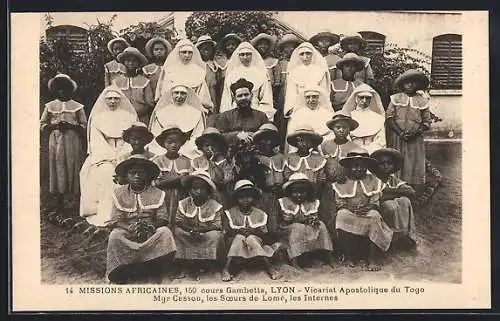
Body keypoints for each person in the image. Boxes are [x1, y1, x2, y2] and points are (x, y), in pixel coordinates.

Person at [105, 154, 177, 284]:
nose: (137, 176)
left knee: (165, 233)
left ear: (147, 175)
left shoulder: (158, 193)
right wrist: (129, 228)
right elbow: (116, 219)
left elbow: (163, 218)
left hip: (151, 229)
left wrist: (150, 227)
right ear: (127, 175)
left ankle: (161, 270)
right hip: (127, 229)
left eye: (140, 173)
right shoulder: (119, 193)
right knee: (115, 236)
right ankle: (121, 270)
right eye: (133, 173)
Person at [79, 86, 138, 230]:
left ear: (121, 100)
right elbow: (96, 141)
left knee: (128, 170)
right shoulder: (98, 118)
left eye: (116, 99)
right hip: (103, 156)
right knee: (106, 172)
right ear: (104, 100)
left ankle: (129, 213)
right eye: (109, 99)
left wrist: (122, 156)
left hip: (124, 152)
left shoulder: (129, 117)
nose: (113, 101)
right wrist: (110, 158)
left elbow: (131, 139)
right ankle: (106, 214)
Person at [333, 148, 393, 271]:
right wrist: (350, 208)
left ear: (366, 166)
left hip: (367, 211)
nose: (358, 169)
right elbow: (340, 203)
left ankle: (372, 257)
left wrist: (368, 207)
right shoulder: (342, 182)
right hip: (349, 211)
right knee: (341, 215)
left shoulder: (374, 181)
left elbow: (375, 202)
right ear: (349, 167)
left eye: (362, 166)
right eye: (354, 166)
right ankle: (349, 256)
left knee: (375, 216)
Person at [40, 74, 87, 218]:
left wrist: (71, 126)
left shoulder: (77, 106)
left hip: (73, 140)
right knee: (58, 166)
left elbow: (84, 125)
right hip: (56, 141)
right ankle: (59, 201)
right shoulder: (50, 106)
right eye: (59, 89)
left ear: (70, 90)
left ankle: (74, 201)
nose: (62, 92)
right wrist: (53, 125)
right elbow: (41, 124)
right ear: (55, 90)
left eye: (65, 89)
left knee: (73, 166)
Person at [222, 180, 282, 281]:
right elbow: (226, 232)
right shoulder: (230, 213)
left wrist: (253, 232)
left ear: (253, 198)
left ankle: (269, 267)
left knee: (251, 238)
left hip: (255, 242)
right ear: (237, 198)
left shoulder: (260, 214)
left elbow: (266, 235)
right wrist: (238, 231)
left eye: (249, 197)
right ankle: (226, 268)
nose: (245, 200)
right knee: (239, 237)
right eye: (241, 197)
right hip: (236, 245)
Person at [174, 171, 225, 280]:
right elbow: (179, 221)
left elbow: (217, 225)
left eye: (202, 188)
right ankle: (185, 265)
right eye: (194, 188)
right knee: (178, 232)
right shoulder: (183, 204)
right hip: (189, 232)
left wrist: (201, 230)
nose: (198, 191)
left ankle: (207, 263)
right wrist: (191, 229)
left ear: (208, 191)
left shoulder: (215, 206)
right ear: (189, 190)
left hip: (206, 233)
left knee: (216, 236)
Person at [278, 173, 334, 269]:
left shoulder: (312, 203)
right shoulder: (284, 202)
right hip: (288, 229)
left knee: (321, 225)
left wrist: (312, 220)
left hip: (306, 226)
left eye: (302, 192)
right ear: (290, 191)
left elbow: (314, 216)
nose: (299, 195)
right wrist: (294, 219)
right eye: (295, 192)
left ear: (308, 192)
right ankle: (294, 260)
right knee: (297, 227)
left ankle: (329, 257)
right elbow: (284, 220)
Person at [386, 69, 432, 186]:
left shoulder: (422, 101)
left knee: (412, 161)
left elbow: (426, 122)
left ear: (418, 85)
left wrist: (415, 133)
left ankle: (411, 185)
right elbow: (389, 118)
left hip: (415, 139)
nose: (410, 85)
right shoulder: (395, 98)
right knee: (397, 158)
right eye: (407, 82)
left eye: (413, 82)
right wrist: (400, 132)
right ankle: (396, 184)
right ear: (402, 84)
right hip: (397, 137)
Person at [370, 148, 417, 249]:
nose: (386, 166)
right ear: (376, 166)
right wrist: (396, 192)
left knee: (405, 201)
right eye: (382, 163)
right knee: (390, 205)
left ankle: (405, 235)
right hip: (375, 208)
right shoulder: (373, 179)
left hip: (391, 207)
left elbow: (411, 192)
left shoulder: (392, 179)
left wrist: (388, 191)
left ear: (393, 166)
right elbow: (378, 196)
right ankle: (389, 236)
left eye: (389, 163)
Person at [219, 42, 275, 121]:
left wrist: (261, 115)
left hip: (256, 111)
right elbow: (227, 98)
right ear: (238, 56)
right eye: (242, 54)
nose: (245, 57)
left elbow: (266, 98)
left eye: (248, 54)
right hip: (235, 113)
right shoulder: (232, 74)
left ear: (252, 55)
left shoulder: (261, 73)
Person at [148, 84, 206, 159]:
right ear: (171, 94)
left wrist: (186, 147)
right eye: (176, 93)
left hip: (188, 147)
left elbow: (198, 133)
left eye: (183, 93)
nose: (179, 96)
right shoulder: (162, 111)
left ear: (187, 95)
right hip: (165, 146)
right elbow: (156, 132)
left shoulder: (196, 112)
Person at [155, 39, 214, 111]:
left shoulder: (197, 71)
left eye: (190, 53)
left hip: (193, 108)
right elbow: (164, 91)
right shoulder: (169, 70)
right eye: (184, 52)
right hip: (172, 108)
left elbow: (202, 94)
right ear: (178, 53)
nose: (187, 55)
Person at [151, 126, 192, 226]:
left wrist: (167, 180)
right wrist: (179, 178)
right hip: (163, 196)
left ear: (181, 143)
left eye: (177, 142)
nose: (173, 145)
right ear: (164, 144)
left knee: (179, 220)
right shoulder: (157, 161)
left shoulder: (187, 161)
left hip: (181, 196)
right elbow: (156, 183)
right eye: (169, 142)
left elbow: (187, 182)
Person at [209, 78, 268, 148]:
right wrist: (236, 135)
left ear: (251, 96)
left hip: (255, 152)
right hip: (232, 154)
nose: (243, 98)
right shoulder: (225, 116)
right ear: (234, 98)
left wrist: (254, 135)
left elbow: (268, 135)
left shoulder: (261, 116)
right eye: (239, 96)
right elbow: (217, 137)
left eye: (246, 95)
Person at [253, 123, 285, 234]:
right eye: (263, 140)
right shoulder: (256, 158)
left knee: (276, 220)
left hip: (278, 194)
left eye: (269, 140)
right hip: (261, 195)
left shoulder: (281, 157)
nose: (266, 143)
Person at [284, 42, 330, 117]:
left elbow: (323, 90)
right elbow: (291, 92)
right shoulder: (293, 72)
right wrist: (292, 107)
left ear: (312, 54)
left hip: (316, 103)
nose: (305, 57)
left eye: (308, 53)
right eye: (302, 54)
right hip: (298, 105)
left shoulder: (320, 71)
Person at [191, 127, 233, 208]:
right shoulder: (196, 162)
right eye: (206, 145)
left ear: (219, 146)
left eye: (213, 145)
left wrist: (212, 163)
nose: (210, 148)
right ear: (201, 146)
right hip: (201, 198)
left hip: (220, 198)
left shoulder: (225, 163)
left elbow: (224, 181)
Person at [286, 85, 335, 152]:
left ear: (319, 98)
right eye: (308, 97)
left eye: (314, 97)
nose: (311, 100)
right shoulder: (297, 114)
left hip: (323, 144)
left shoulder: (328, 114)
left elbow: (331, 133)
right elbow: (291, 133)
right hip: (302, 145)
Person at [113, 47, 155, 126]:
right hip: (122, 117)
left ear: (138, 63)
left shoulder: (145, 81)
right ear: (124, 62)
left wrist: (136, 114)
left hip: (141, 117)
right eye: (128, 61)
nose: (131, 63)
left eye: (134, 61)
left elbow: (149, 104)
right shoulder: (117, 82)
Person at [341, 84, 386, 154]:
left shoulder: (378, 118)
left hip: (373, 152)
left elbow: (381, 139)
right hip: (352, 151)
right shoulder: (349, 116)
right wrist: (355, 150)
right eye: (361, 97)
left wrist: (369, 150)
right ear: (356, 98)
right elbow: (345, 137)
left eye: (367, 98)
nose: (364, 100)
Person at [275, 34, 303, 148]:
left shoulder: (300, 63)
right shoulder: (280, 63)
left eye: (293, 47)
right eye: (287, 47)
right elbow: (277, 82)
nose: (290, 50)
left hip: (297, 95)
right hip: (283, 94)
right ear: (283, 49)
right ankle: (282, 146)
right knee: (282, 121)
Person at [284, 126, 327, 195]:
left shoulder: (318, 159)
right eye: (300, 140)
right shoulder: (289, 158)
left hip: (312, 194)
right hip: (293, 194)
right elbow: (286, 177)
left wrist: (315, 193)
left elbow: (320, 179)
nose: (304, 144)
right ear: (295, 142)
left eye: (307, 141)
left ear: (312, 143)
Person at [320, 111, 360, 183]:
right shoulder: (325, 145)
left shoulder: (355, 148)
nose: (341, 130)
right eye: (338, 127)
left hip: (346, 185)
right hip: (327, 184)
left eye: (345, 127)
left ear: (350, 129)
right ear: (332, 128)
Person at [251, 33, 281, 108]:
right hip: (254, 93)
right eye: (260, 44)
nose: (263, 46)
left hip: (270, 93)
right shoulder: (252, 61)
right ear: (256, 46)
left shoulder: (274, 62)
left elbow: (277, 82)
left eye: (265, 44)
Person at [214, 33, 243, 106]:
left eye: (233, 44)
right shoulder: (220, 60)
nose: (231, 47)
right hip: (223, 87)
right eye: (228, 45)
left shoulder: (241, 59)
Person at [196, 35, 219, 111]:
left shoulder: (214, 65)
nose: (207, 51)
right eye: (204, 49)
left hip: (213, 93)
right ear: (199, 50)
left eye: (209, 49)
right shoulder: (197, 65)